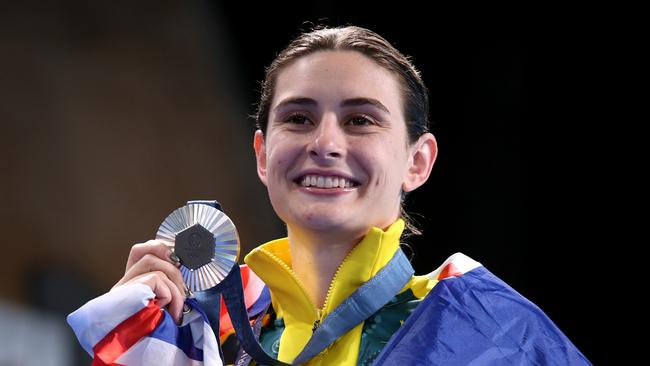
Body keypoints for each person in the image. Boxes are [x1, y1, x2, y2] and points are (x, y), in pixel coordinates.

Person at [68, 25, 591, 365]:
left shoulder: (496, 337)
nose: (324, 144)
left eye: (361, 120)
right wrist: (137, 347)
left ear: (418, 161)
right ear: (262, 155)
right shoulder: (205, 341)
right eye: (298, 119)